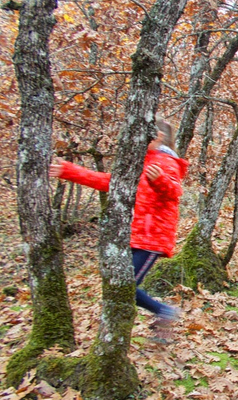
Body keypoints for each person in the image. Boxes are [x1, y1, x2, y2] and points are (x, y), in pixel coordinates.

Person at [49, 117, 188, 333]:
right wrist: (69, 171)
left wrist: (159, 179)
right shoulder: (142, 162)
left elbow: (175, 192)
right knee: (122, 284)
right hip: (136, 234)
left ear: (157, 137)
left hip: (153, 237)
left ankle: (164, 312)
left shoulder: (167, 163)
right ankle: (159, 314)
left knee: (125, 286)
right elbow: (110, 182)